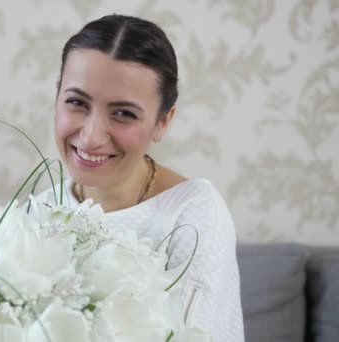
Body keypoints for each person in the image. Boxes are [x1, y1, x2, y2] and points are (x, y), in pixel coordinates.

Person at [39, 14, 245, 341]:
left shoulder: (192, 215)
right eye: (77, 102)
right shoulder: (39, 210)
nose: (91, 136)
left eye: (123, 113)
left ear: (163, 122)